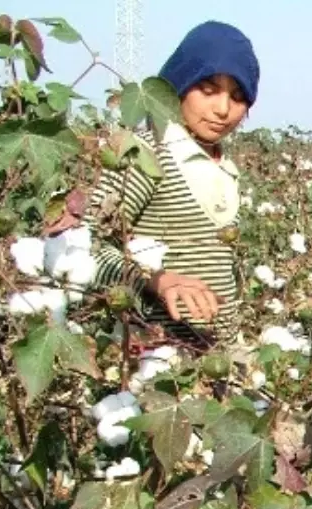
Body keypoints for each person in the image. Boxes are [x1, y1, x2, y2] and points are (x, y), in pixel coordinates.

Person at [86, 21, 259, 345]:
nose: (222, 109)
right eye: (208, 90)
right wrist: (156, 280)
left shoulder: (224, 165)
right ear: (179, 85)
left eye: (237, 97)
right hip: (154, 364)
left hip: (217, 363)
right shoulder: (146, 154)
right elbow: (88, 250)